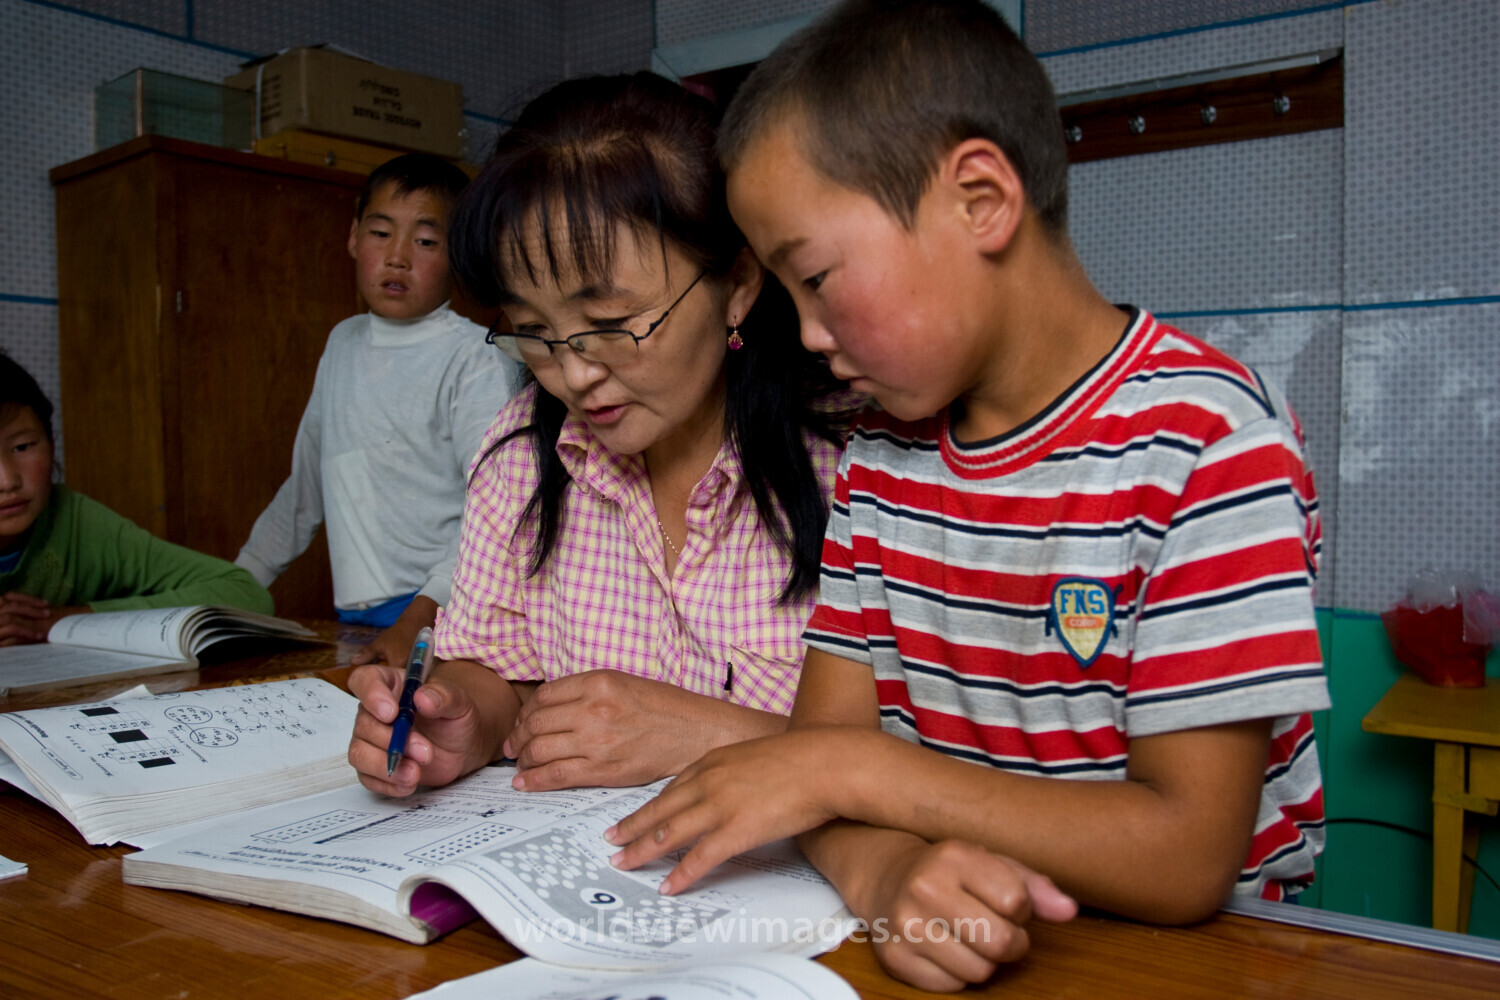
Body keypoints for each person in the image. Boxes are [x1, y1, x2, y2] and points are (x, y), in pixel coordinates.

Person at [606, 1, 1331, 991]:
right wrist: (885, 868)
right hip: (955, 939)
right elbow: (816, 767)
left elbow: (1185, 855)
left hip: (1198, 964)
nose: (807, 333)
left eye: (816, 277)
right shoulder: (879, 456)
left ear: (981, 200)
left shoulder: (1206, 439)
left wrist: (853, 771)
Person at [345, 72, 854, 799]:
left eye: (612, 324)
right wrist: (462, 719)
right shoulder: (524, 451)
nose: (575, 376)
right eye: (533, 330)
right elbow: (500, 671)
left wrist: (706, 733)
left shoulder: (857, 457)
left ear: (738, 284)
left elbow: (948, 760)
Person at [235, 153, 520, 665]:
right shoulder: (342, 343)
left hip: (446, 614)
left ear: (459, 253)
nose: (398, 257)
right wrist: (236, 587)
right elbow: (304, 492)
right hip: (356, 620)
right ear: (353, 236)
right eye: (381, 233)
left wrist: (420, 616)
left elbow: (495, 510)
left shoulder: (474, 357)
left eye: (426, 241)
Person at [0, 350, 272, 644]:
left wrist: (64, 621)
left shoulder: (76, 522)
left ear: (52, 443)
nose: (7, 481)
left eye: (23, 446)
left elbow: (246, 594)